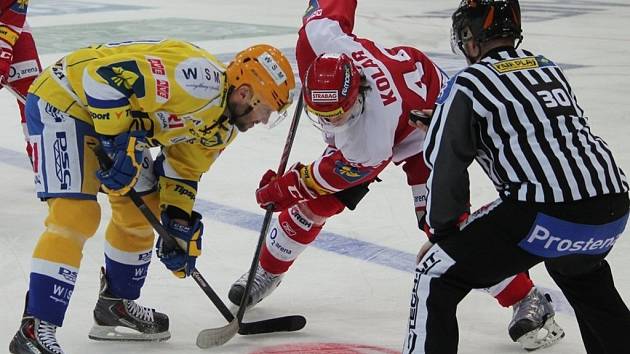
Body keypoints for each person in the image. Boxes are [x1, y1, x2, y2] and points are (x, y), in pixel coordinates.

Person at [228, 0, 562, 350]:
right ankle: (267, 270)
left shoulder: (369, 137)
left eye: (337, 116)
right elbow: (329, 9)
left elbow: (328, 176)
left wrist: (283, 189)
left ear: (357, 95)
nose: (329, 124)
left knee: (446, 232)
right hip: (397, 93)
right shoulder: (320, 39)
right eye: (320, 115)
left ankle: (529, 299)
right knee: (318, 206)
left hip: (424, 123)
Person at [8, 39, 295, 354]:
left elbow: (182, 170)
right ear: (244, 94)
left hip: (114, 120)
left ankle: (113, 308)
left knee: (143, 210)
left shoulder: (222, 128)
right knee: (75, 214)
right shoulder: (195, 79)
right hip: (65, 100)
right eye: (266, 110)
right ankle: (34, 328)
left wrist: (177, 224)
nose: (264, 120)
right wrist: (116, 143)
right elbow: (100, 78)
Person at [404, 0, 630, 353]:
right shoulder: (548, 68)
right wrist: (451, 121)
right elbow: (542, 128)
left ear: (471, 39)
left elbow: (446, 163)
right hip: (611, 207)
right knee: (579, 273)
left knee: (435, 272)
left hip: (543, 213)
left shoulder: (468, 82)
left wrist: (444, 234)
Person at [1, 0, 42, 163]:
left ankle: (42, 158)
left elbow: (15, 5)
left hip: (11, 26)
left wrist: (2, 51)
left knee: (33, 95)